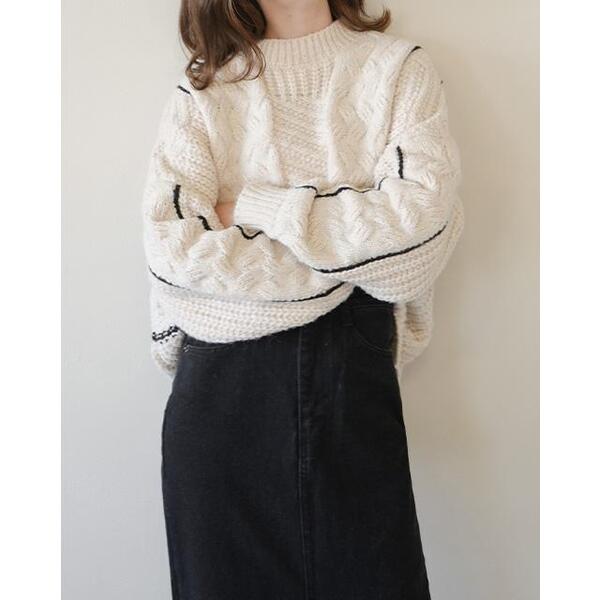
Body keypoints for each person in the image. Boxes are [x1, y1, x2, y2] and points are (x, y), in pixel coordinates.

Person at [142, 1, 464, 598]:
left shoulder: (398, 70)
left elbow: (417, 233)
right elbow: (175, 256)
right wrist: (349, 257)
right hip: (220, 401)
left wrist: (256, 208)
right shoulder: (202, 91)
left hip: (349, 389)